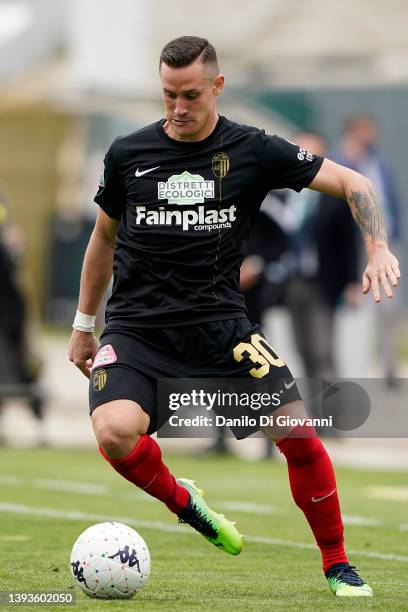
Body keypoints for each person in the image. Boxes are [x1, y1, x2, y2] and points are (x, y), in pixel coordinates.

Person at [69, 36, 400, 598]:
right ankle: (188, 506)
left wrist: (376, 246)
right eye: (169, 95)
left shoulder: (253, 150)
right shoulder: (127, 154)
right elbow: (103, 239)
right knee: (115, 433)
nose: (177, 108)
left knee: (298, 432)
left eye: (190, 95)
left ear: (217, 87)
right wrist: (82, 324)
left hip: (223, 329)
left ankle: (338, 563)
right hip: (138, 330)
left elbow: (355, 182)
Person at [334, 115, 403, 384]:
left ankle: (389, 366)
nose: (369, 136)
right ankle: (348, 368)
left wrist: (394, 236)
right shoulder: (341, 160)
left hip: (386, 241)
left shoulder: (381, 162)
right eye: (364, 131)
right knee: (354, 304)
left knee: (389, 306)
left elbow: (393, 199)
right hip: (355, 243)